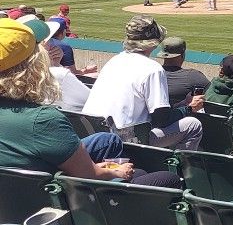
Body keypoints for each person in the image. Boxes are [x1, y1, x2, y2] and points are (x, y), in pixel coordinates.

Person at [0, 20, 178, 187]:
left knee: (107, 140)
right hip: (53, 196)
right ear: (32, 67)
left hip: (20, 189)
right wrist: (117, 171)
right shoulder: (43, 120)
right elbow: (90, 174)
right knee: (166, 178)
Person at [82, 15, 202, 150]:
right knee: (193, 125)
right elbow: (161, 120)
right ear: (153, 42)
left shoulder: (114, 60)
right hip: (125, 138)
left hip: (92, 134)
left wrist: (181, 105)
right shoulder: (152, 69)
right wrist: (189, 108)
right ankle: (179, 169)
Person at [158, 37, 210, 106]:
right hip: (181, 115)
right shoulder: (193, 76)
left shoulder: (152, 74)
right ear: (183, 54)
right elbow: (212, 95)